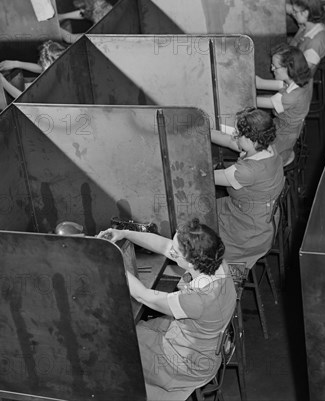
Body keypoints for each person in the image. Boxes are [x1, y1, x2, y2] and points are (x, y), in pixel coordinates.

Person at [97, 218, 236, 400]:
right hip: (199, 345)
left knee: (111, 341)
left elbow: (142, 296)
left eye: (176, 252)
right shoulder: (217, 264)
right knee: (134, 329)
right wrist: (124, 234)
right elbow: (165, 246)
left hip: (187, 364)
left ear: (192, 263)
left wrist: (110, 257)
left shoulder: (199, 299)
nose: (171, 250)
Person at [211, 108, 285, 269]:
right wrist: (205, 132)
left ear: (252, 139)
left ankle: (213, 286)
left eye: (238, 133)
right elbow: (231, 141)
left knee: (203, 241)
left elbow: (205, 178)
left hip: (247, 233)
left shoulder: (246, 171)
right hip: (257, 217)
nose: (235, 136)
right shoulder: (268, 147)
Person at [256, 0, 325, 91]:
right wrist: (264, 1)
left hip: (295, 85)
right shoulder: (309, 23)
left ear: (305, 13)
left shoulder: (315, 43)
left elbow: (300, 76)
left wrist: (261, 83)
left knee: (257, 81)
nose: (292, 13)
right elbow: (289, 8)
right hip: (288, 62)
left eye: (295, 11)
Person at [256, 44, 312, 166]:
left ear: (288, 68)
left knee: (253, 155)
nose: (271, 69)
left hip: (283, 137)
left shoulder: (291, 96)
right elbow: (261, 83)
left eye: (275, 67)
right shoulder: (299, 81)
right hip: (284, 129)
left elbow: (254, 101)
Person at [0, 40, 67, 99]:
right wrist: (15, 64)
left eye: (41, 63)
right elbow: (42, 68)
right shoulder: (64, 65)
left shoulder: (54, 86)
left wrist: (2, 81)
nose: (39, 65)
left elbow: (23, 99)